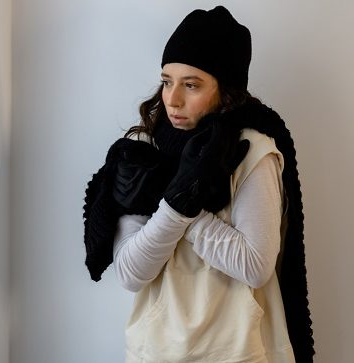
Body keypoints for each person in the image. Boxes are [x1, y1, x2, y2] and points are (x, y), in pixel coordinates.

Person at [82, 6, 314, 363]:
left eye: (191, 85)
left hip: (238, 351)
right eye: (166, 80)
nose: (172, 99)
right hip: (156, 351)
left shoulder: (252, 153)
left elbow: (255, 265)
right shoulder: (144, 152)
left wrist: (181, 205)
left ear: (226, 91)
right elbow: (130, 272)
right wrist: (176, 197)